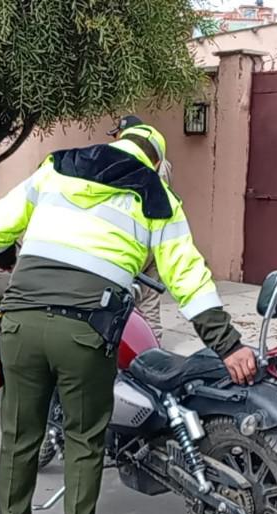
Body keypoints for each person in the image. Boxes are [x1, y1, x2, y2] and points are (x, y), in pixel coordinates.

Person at [0, 123, 256, 514]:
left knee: (18, 435)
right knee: (85, 439)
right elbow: (187, 277)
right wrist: (227, 345)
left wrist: (6, 258)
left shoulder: (57, 167)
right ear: (157, 163)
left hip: (20, 321)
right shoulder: (155, 195)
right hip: (85, 331)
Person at [106, 115, 168, 343]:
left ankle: (121, 344)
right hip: (156, 236)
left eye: (118, 135)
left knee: (119, 295)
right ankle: (152, 347)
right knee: (150, 298)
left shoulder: (121, 163)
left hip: (131, 238)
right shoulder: (162, 161)